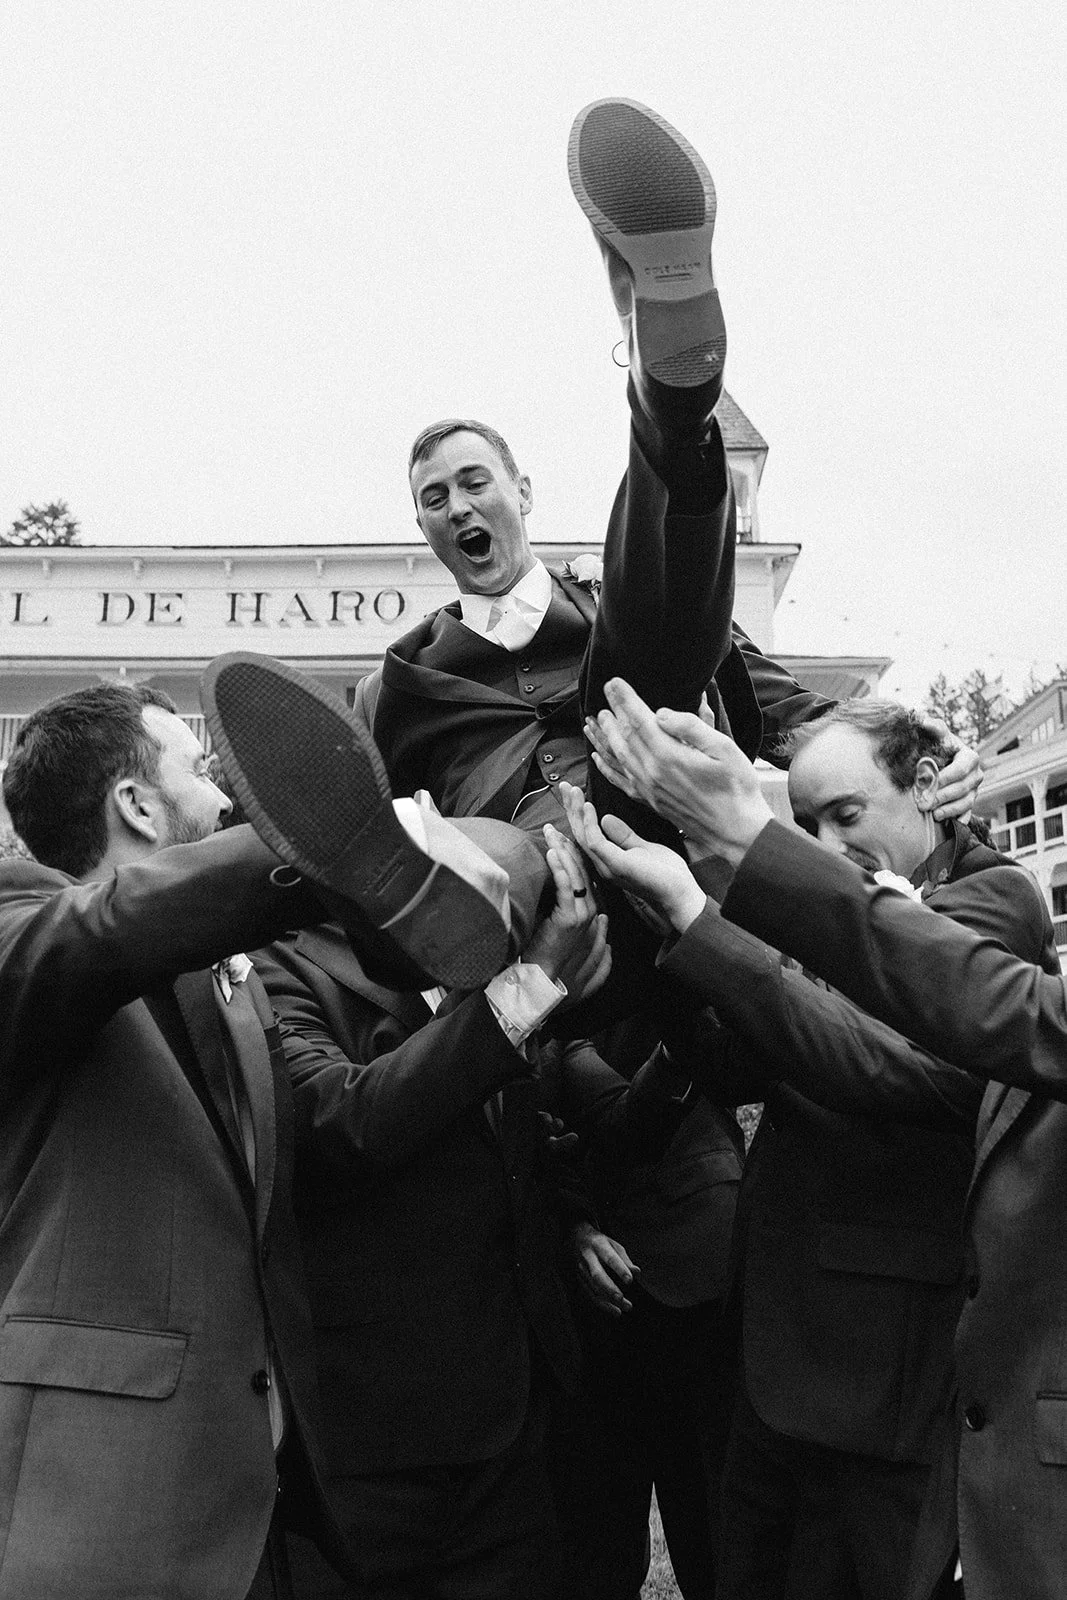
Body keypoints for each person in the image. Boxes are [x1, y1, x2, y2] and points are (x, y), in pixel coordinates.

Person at [0, 681, 507, 1600]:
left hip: (250, 1500)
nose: (227, 798)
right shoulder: (22, 923)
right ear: (138, 805)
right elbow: (109, 927)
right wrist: (335, 844)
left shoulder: (229, 985)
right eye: (199, 770)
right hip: (91, 1503)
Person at [568, 674, 1067, 1600]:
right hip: (772, 1360)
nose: (827, 847)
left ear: (924, 783)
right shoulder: (803, 900)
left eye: (845, 813)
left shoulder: (991, 898)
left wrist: (706, 913)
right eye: (807, 827)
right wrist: (671, 926)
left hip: (887, 1385)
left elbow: (875, 1065)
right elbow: (733, 1062)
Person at [252, 820, 699, 1600]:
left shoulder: (503, 975)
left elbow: (524, 1139)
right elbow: (343, 1123)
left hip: (513, 1417)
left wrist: (573, 1221)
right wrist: (524, 987)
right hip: (376, 1428)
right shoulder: (279, 966)